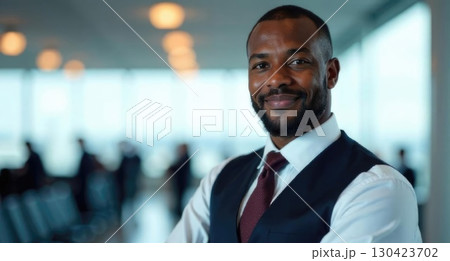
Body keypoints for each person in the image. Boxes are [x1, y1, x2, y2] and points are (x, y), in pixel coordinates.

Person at [167, 5, 421, 243]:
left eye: (298, 62)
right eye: (261, 65)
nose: (276, 80)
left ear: (330, 73)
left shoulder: (377, 189)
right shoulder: (220, 178)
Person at [167, 144, 192, 218]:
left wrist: (170, 168)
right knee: (179, 197)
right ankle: (177, 211)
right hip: (180, 182)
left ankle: (178, 212)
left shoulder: (185, 157)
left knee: (180, 197)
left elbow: (178, 167)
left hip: (182, 182)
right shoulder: (184, 157)